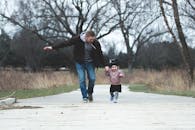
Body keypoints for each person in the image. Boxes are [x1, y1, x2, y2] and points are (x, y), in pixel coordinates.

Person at [43, 31, 107, 103]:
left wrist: (105, 65)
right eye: (90, 40)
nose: (92, 41)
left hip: (90, 63)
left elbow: (100, 54)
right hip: (80, 63)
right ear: (86, 37)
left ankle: (89, 92)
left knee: (92, 79)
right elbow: (66, 43)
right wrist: (52, 47)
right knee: (82, 79)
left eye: (93, 39)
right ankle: (84, 97)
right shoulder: (77, 39)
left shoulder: (95, 43)